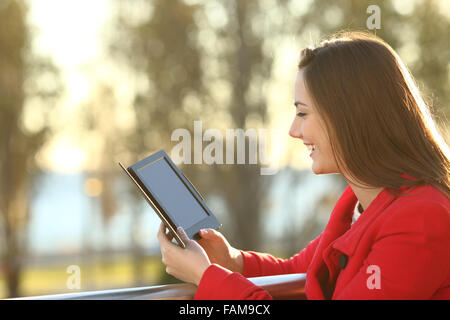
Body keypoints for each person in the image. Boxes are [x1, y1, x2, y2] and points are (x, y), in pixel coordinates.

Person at [157, 31, 450, 300]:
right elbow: (299, 269)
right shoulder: (363, 207)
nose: (293, 130)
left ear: (348, 117)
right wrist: (232, 261)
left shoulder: (419, 218)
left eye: (302, 113)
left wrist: (206, 277)